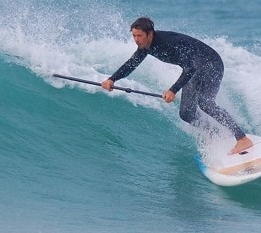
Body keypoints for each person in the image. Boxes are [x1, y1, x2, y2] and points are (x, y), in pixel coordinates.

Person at [102, 17, 253, 155]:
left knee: (205, 103)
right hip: (195, 70)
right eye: (134, 36)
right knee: (186, 113)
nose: (136, 40)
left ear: (150, 34)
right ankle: (216, 134)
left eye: (139, 36)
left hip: (211, 64)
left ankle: (242, 139)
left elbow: (189, 68)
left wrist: (173, 90)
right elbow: (131, 64)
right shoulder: (145, 47)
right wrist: (112, 79)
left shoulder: (168, 42)